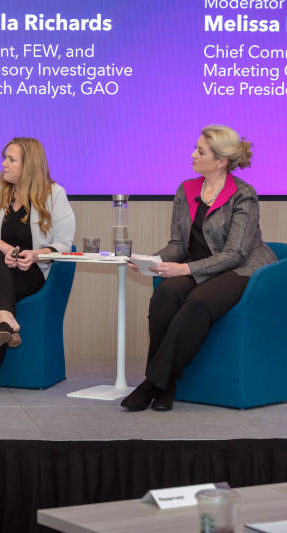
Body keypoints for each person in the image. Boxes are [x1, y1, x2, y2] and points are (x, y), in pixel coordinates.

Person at [122, 125, 277, 412]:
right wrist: (151, 260)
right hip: (197, 266)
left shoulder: (243, 194)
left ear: (220, 161)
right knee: (164, 296)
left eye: (200, 151)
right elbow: (178, 244)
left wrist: (185, 270)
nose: (193, 154)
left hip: (239, 269)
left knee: (198, 303)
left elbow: (235, 253)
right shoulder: (187, 189)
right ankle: (165, 386)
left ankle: (152, 383)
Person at [0, 137, 76, 394]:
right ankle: (5, 320)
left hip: (27, 271)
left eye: (11, 159)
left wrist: (34, 255)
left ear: (28, 165)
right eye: (4, 157)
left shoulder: (55, 194)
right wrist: (5, 249)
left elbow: (64, 243)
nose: (3, 164)